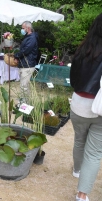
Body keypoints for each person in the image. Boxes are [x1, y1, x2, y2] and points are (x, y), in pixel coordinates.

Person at [70, 13, 102, 201]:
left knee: (79, 141)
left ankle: (76, 170)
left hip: (79, 104)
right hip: (100, 107)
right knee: (94, 152)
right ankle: (82, 195)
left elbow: (73, 80)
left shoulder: (82, 51)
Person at [14, 21, 39, 99]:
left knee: (24, 86)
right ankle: (25, 103)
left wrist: (16, 56)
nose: (22, 30)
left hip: (28, 64)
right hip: (24, 63)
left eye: (23, 28)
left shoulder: (32, 38)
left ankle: (23, 105)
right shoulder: (27, 37)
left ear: (28, 28)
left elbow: (26, 50)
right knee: (24, 86)